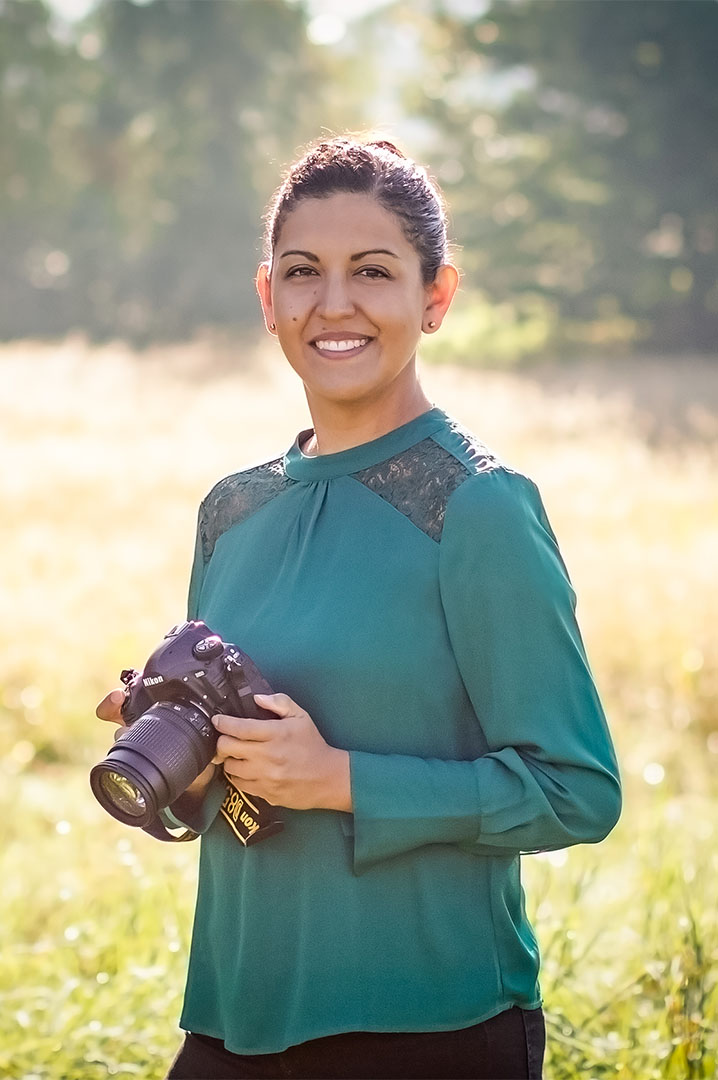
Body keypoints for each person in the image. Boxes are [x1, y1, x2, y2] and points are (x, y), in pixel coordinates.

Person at [97, 137, 622, 1080]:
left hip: (427, 1031)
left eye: (372, 272)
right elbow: (239, 802)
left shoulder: (480, 509)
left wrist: (341, 778)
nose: (333, 304)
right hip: (234, 1021)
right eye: (304, 273)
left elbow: (577, 792)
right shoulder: (231, 509)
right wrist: (180, 748)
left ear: (436, 296)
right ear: (267, 299)